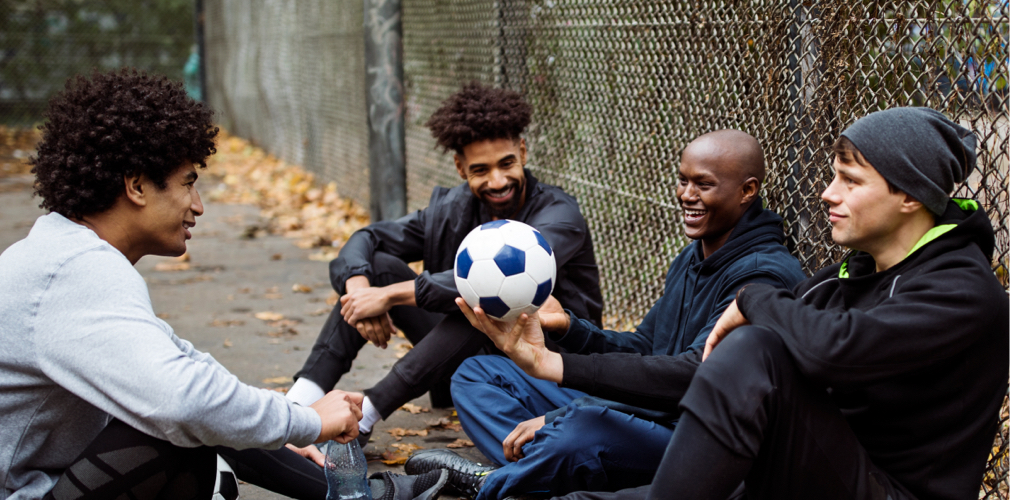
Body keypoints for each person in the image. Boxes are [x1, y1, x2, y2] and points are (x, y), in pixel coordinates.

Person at [460, 108, 1009, 500]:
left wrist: (753, 300)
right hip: (787, 461)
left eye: (849, 180)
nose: (827, 194)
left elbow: (833, 353)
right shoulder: (850, 275)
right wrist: (562, 349)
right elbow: (668, 354)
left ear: (909, 195)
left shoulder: (962, 290)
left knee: (751, 350)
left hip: (882, 487)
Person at [0, 69, 447, 500]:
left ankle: (355, 495)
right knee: (188, 419)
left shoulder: (64, 253)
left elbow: (183, 362)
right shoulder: (74, 271)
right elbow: (183, 400)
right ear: (136, 186)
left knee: (215, 411)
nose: (197, 205)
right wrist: (307, 421)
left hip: (53, 473)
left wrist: (285, 420)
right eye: (187, 184)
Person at [403, 130, 807, 498]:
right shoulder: (695, 255)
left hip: (694, 436)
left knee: (582, 431)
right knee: (477, 374)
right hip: (646, 410)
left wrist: (569, 408)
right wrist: (570, 329)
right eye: (683, 180)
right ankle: (546, 471)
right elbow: (644, 347)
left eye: (704, 184)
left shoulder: (762, 276)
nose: (686, 194)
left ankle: (494, 483)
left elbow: (691, 379)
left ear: (747, 190)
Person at [285, 82, 604, 444]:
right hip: (463, 363)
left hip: (547, 372)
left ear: (523, 152)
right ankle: (298, 407)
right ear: (460, 166)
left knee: (490, 303)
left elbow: (486, 289)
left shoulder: (560, 215)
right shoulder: (451, 210)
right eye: (481, 169)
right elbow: (366, 239)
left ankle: (366, 414)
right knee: (378, 264)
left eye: (507, 163)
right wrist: (360, 289)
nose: (498, 181)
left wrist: (388, 297)